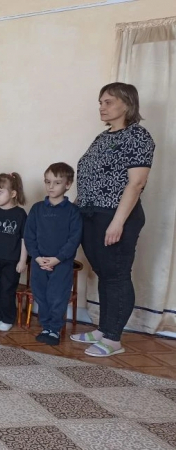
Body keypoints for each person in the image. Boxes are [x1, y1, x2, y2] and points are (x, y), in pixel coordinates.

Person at [70, 82, 155, 357]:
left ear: (127, 104)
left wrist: (117, 222)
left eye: (108, 102)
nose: (102, 107)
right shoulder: (102, 137)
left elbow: (136, 183)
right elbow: (89, 178)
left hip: (115, 215)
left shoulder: (138, 136)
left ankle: (114, 339)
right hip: (90, 214)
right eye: (100, 102)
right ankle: (104, 329)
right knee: (104, 274)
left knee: (116, 275)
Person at [25, 163, 82, 346]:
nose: (51, 186)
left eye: (57, 183)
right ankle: (46, 327)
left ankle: (55, 329)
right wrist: (37, 257)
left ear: (68, 184)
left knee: (57, 297)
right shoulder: (37, 209)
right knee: (40, 295)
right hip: (39, 262)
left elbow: (74, 239)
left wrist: (57, 259)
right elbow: (29, 236)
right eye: (47, 181)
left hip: (61, 264)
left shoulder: (73, 211)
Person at [0, 173, 28, 332]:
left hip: (11, 261)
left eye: (0, 192)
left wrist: (22, 260)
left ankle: (7, 318)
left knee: (7, 290)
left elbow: (24, 239)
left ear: (13, 193)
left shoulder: (20, 214)